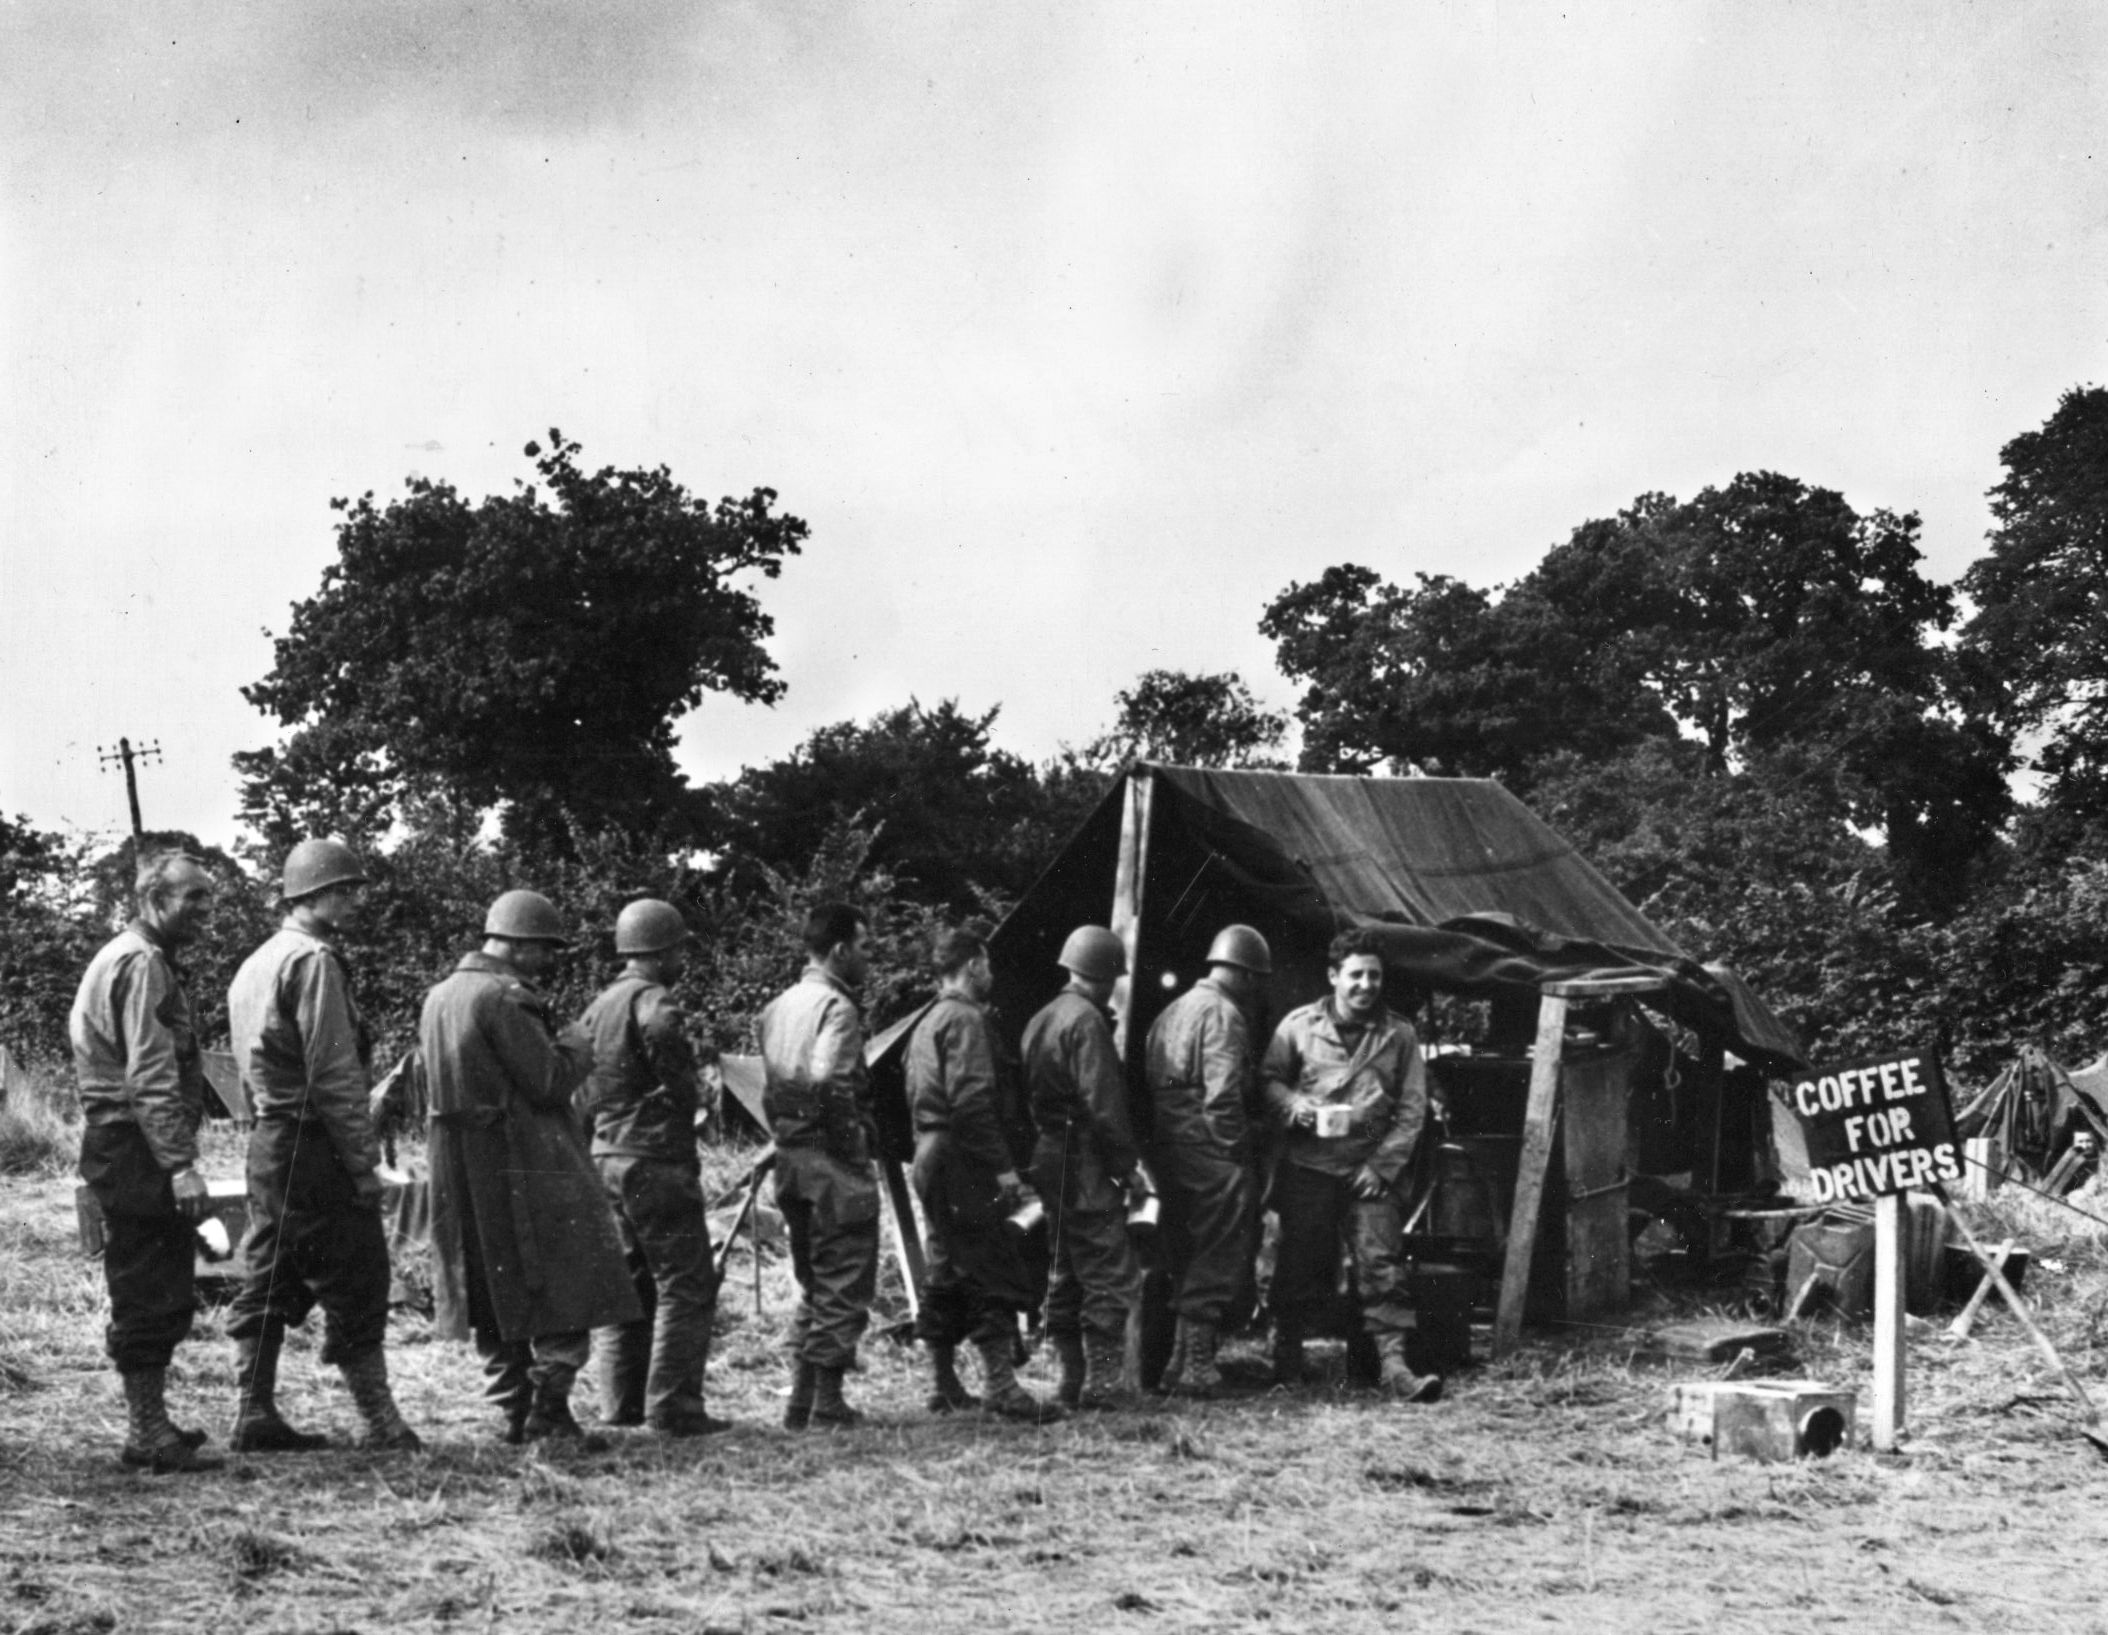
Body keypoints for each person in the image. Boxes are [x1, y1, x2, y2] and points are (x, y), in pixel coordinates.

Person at [420, 889, 641, 1442]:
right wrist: (577, 1045)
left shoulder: (439, 994)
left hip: (461, 1166)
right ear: (516, 944)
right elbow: (548, 1082)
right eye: (544, 948)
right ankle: (549, 1408)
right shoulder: (505, 997)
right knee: (572, 1275)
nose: (548, 960)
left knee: (492, 1292)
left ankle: (513, 1410)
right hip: (524, 1159)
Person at [225, 839, 420, 1453]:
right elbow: (335, 1076)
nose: (356, 901)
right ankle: (380, 1423)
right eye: (347, 890)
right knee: (359, 1274)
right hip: (314, 1144)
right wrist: (363, 1165)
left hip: (271, 1140)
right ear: (317, 894)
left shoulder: (258, 961)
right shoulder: (314, 962)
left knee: (269, 1267)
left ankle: (253, 1412)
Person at [70, 851, 224, 1472]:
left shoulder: (132, 956)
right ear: (154, 899)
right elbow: (151, 1076)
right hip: (136, 1145)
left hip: (128, 1142)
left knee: (154, 1281)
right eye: (193, 898)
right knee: (149, 1288)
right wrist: (180, 1164)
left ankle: (151, 1425)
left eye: (209, 899)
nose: (205, 911)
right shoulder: (142, 964)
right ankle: (147, 1433)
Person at [1261, 927, 1440, 1401]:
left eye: (1374, 976)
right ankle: (1288, 1360)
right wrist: (1294, 1106)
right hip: (1310, 1168)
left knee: (1380, 1263)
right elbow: (1270, 1080)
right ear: (1334, 976)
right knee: (1299, 1263)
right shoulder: (1298, 1026)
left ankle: (1395, 1369)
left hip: (1369, 1173)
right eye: (1356, 975)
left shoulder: (1398, 1035)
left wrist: (1382, 1167)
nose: (1366, 985)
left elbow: (1411, 1110)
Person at [578, 898, 730, 1437]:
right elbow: (670, 1049)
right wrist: (687, 1095)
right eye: (679, 949)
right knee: (686, 1283)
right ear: (662, 951)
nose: (683, 959)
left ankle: (620, 1404)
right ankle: (673, 1408)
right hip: (654, 1159)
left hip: (606, 1156)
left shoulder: (597, 1007)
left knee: (630, 1284)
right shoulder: (656, 1002)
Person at [907, 924, 1062, 1423]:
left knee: (945, 1268)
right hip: (964, 1160)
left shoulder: (926, 1022)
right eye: (988, 964)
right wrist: (1004, 1174)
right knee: (989, 1264)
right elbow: (973, 1105)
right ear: (973, 965)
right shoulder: (967, 1022)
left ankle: (943, 1382)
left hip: (931, 1155)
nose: (991, 974)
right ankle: (1001, 1386)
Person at [758, 902, 880, 1430]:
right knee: (844, 1279)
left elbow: (770, 1087)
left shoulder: (778, 1007)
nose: (868, 958)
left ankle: (801, 1402)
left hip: (790, 1158)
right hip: (831, 1163)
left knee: (815, 1282)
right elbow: (829, 1080)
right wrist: (852, 1139)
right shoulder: (838, 1009)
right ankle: (827, 1403)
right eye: (864, 947)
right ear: (839, 950)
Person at [1024, 925, 1148, 1410]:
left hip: (1049, 1158)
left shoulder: (1042, 1018)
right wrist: (1127, 1169)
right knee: (1109, 1273)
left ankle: (1070, 1380)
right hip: (1085, 1166)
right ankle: (1101, 1385)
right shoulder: (1088, 1023)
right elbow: (1104, 1106)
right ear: (1108, 974)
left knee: (1065, 1271)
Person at [1146, 924, 1271, 1398]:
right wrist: (1236, 1151)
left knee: (1187, 1250)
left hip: (1171, 1147)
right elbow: (1222, 1098)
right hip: (1210, 1149)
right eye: (1255, 977)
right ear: (1242, 973)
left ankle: (1179, 1363)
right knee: (1219, 1249)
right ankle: (1197, 1364)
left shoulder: (1172, 1010)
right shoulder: (1224, 1015)